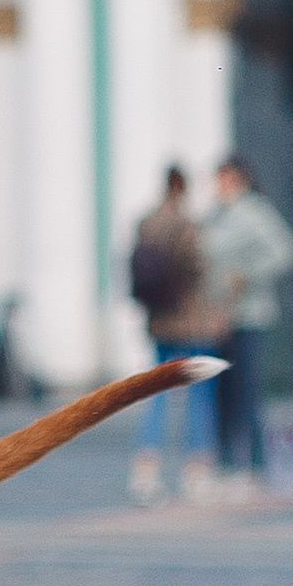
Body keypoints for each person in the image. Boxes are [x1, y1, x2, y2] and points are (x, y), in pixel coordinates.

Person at [197, 154, 293, 480]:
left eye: (226, 177)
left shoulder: (256, 212)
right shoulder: (212, 216)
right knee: (219, 390)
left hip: (248, 315)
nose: (220, 185)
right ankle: (225, 459)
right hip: (216, 316)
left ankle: (256, 460)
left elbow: (285, 252)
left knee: (246, 389)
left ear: (240, 179)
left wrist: (247, 274)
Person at [126, 165, 223, 505]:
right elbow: (199, 268)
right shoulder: (187, 225)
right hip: (190, 320)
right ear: (184, 189)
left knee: (155, 395)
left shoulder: (146, 223)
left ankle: (145, 470)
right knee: (198, 396)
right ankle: (196, 472)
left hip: (159, 321)